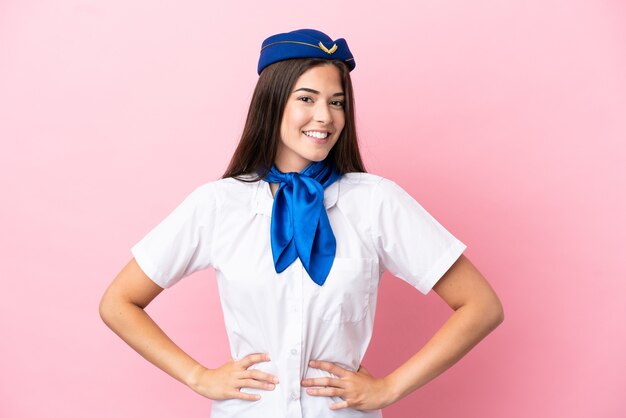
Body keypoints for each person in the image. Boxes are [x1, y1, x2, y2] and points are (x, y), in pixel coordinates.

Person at [99, 28, 504, 418]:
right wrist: (197, 376)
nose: (324, 117)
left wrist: (390, 387)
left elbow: (481, 306)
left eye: (337, 102)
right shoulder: (219, 204)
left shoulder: (376, 201)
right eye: (307, 98)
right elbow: (119, 302)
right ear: (273, 103)